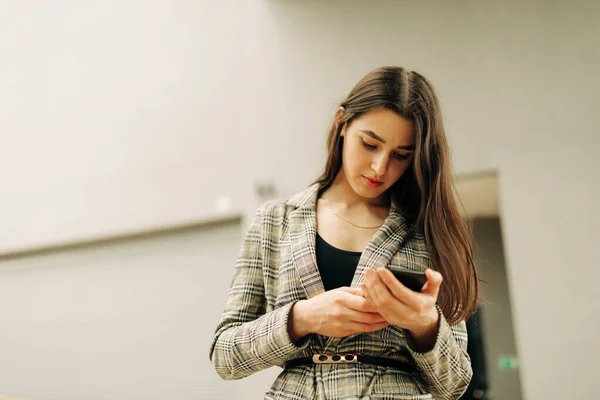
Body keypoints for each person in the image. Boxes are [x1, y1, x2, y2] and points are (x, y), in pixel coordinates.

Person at [210, 66, 479, 399]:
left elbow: (455, 384)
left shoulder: (426, 231)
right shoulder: (275, 220)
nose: (380, 168)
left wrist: (425, 325)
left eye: (400, 155)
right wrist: (302, 318)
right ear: (342, 123)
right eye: (369, 144)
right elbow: (225, 356)